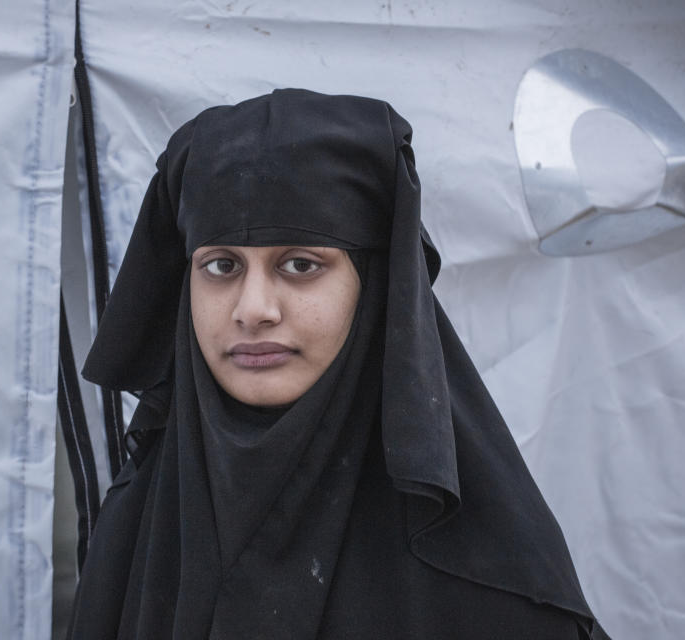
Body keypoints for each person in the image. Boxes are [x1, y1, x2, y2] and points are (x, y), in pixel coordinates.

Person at [69, 88, 608, 639]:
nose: (253, 310)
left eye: (301, 264)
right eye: (221, 265)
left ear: (373, 287)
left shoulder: (490, 583)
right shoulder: (135, 527)